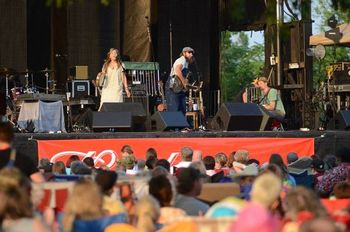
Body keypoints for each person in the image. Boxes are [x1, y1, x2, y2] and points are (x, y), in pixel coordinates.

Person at [165, 47, 194, 115]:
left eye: (192, 53)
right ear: (184, 53)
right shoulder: (182, 59)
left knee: (182, 109)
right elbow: (177, 70)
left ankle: (182, 125)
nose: (191, 54)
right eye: (189, 52)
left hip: (179, 88)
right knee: (175, 109)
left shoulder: (186, 63)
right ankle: (175, 125)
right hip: (173, 85)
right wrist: (184, 82)